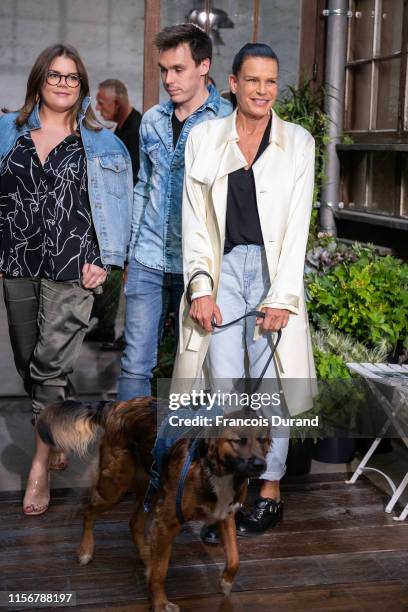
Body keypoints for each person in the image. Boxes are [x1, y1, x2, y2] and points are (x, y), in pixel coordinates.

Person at [173, 43, 316, 541]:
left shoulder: (298, 142)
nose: (263, 90)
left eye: (271, 81)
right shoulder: (205, 138)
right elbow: (194, 222)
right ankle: (226, 500)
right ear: (233, 83)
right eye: (253, 80)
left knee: (272, 387)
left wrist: (282, 297)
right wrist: (201, 286)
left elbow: (298, 226)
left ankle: (270, 490)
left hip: (273, 271)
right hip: (224, 269)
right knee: (225, 388)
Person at [0, 44, 133, 515]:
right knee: (27, 360)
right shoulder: (5, 132)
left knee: (49, 370)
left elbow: (121, 208)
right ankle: (55, 431)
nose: (62, 83)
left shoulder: (102, 143)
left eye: (72, 77)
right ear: (38, 80)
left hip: (74, 268)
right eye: (54, 75)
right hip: (16, 262)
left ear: (83, 86)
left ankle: (39, 468)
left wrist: (106, 258)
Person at [117, 24, 231, 400]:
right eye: (164, 69)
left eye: (178, 69)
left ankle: (184, 455)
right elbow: (143, 186)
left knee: (197, 367)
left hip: (198, 265)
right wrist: (131, 254)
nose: (168, 79)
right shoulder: (151, 120)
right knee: (135, 363)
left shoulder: (226, 121)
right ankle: (127, 455)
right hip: (148, 258)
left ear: (203, 66)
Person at [86, 80, 142, 350]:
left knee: (118, 275)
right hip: (117, 218)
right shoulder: (122, 129)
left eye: (101, 102)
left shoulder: (136, 130)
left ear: (117, 104)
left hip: (130, 221)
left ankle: (116, 330)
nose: (98, 108)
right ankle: (106, 326)